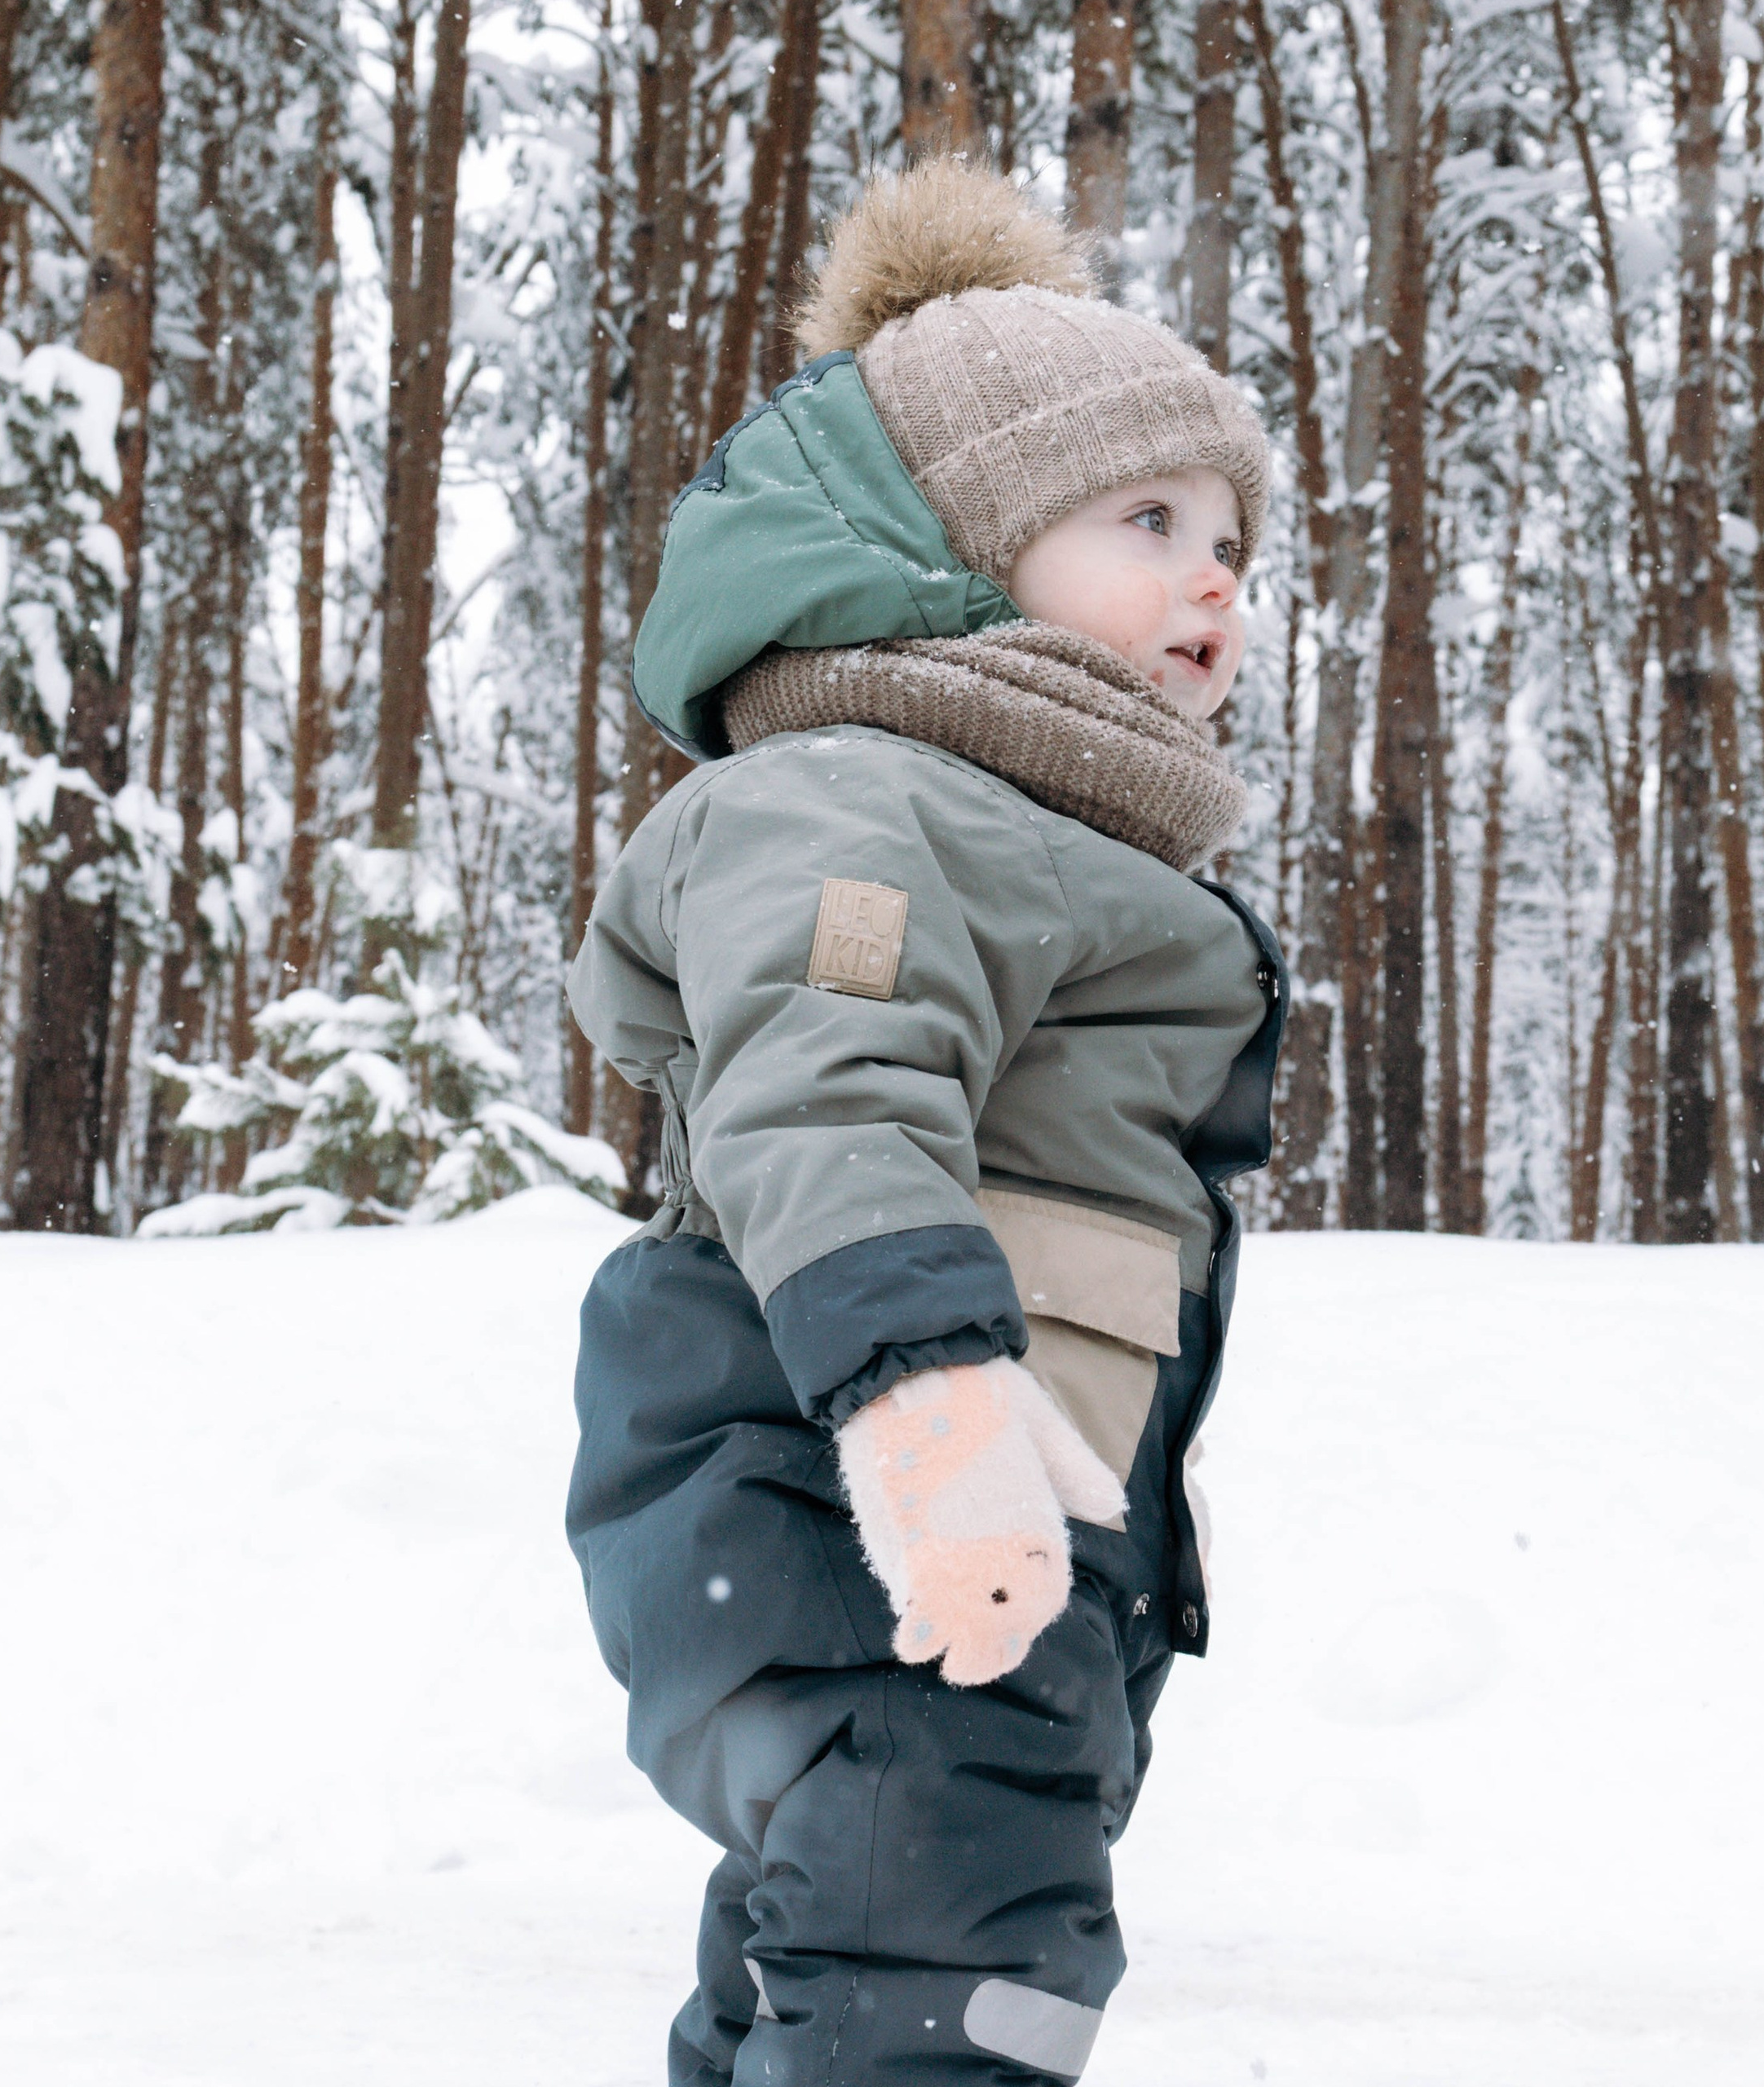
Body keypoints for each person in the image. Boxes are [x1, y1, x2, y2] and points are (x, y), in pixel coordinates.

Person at [567, 158, 1287, 2086]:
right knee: (945, 1944)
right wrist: (928, 1405)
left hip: (978, 1498)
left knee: (868, 1918)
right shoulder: (868, 797)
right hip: (861, 1474)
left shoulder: (1023, 825)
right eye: (1146, 517)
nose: (1214, 574)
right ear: (957, 545)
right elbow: (828, 1082)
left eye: (1231, 534)